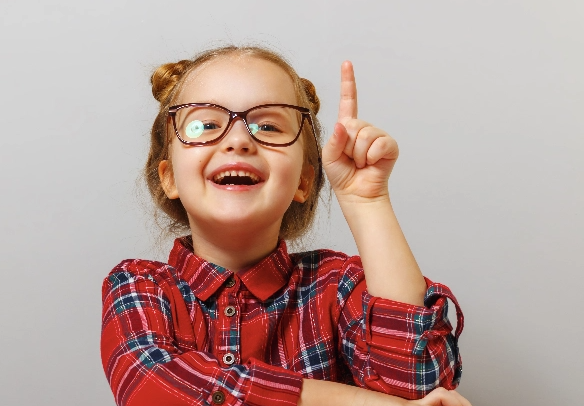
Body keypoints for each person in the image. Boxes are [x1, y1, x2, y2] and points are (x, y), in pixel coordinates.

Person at [100, 46, 472, 406]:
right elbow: (153, 391)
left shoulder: (339, 287)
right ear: (170, 179)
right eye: (206, 124)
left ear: (302, 182)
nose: (239, 140)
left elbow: (418, 382)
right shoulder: (138, 288)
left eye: (268, 126)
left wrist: (367, 201)